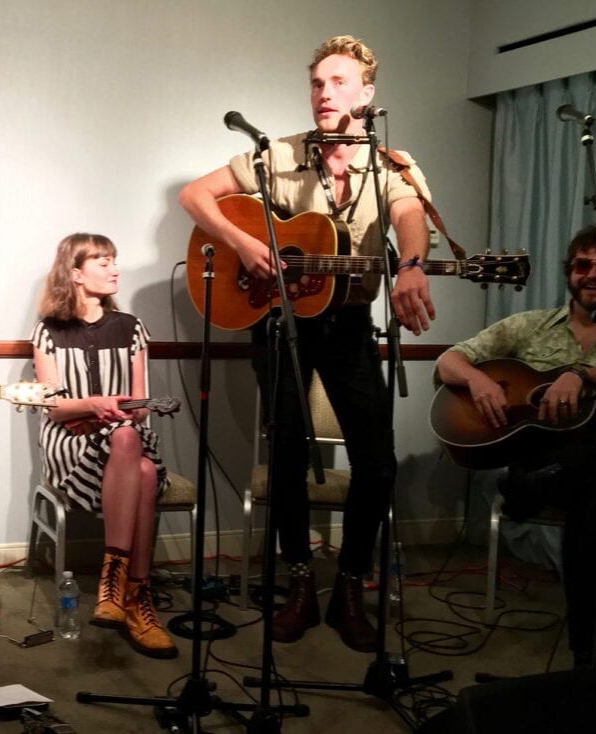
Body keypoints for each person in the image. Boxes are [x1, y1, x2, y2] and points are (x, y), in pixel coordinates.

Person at [179, 35, 435, 652]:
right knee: (288, 454)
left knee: (376, 458)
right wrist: (242, 243)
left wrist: (412, 265)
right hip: (280, 321)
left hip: (348, 325)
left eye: (339, 83)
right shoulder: (279, 153)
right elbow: (193, 195)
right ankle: (298, 583)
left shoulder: (391, 164)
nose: (325, 93)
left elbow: (408, 217)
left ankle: (349, 585)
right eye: (318, 83)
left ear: (366, 93)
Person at [436, 225, 596, 668]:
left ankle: (584, 653)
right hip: (539, 457)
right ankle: (590, 650)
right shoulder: (530, 327)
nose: (593, 274)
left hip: (573, 473)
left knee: (594, 482)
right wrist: (477, 380)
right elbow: (448, 360)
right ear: (569, 273)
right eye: (583, 265)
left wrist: (581, 374)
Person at [31, 233, 176, 659]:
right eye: (103, 261)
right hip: (68, 441)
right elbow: (54, 408)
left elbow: (142, 405)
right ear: (75, 274)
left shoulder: (132, 328)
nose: (115, 269)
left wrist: (126, 413)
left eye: (115, 260)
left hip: (125, 438)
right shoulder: (48, 331)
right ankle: (135, 594)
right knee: (142, 468)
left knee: (130, 439)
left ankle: (117, 586)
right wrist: (94, 405)